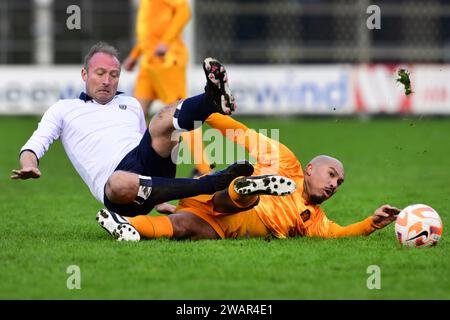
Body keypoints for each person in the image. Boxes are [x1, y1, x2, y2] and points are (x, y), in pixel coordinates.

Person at [97, 96, 401, 242]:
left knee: (182, 227)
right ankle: (245, 188)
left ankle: (126, 227)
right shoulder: (285, 161)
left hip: (220, 221)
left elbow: (340, 234)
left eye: (340, 182)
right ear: (310, 169)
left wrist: (372, 223)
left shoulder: (313, 220)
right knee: (240, 196)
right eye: (332, 174)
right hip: (220, 195)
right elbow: (240, 133)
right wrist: (209, 112)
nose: (335, 184)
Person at [11, 42, 251, 218]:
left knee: (161, 121)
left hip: (145, 164)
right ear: (85, 74)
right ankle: (212, 183)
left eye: (113, 75)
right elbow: (34, 144)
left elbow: (149, 143)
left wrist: (158, 201)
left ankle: (211, 99)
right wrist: (29, 164)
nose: (107, 81)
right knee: (118, 182)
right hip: (117, 191)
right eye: (100, 73)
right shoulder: (64, 109)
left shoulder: (131, 104)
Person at [123, 0, 213, 177]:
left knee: (183, 114)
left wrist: (165, 42)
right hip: (148, 63)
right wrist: (135, 55)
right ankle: (135, 168)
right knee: (135, 115)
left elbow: (184, 11)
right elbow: (150, 29)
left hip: (167, 61)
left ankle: (205, 170)